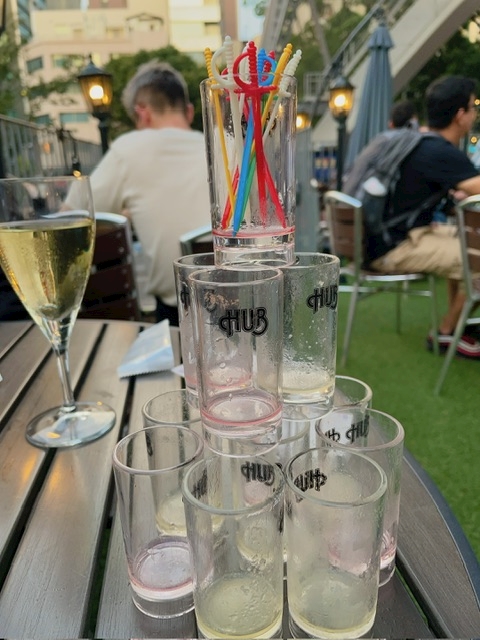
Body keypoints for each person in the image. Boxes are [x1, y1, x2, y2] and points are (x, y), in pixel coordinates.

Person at [66, 60, 211, 326]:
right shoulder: (222, 146)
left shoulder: (128, 148)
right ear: (189, 112)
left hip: (178, 316)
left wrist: (124, 213)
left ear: (142, 113)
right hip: (246, 305)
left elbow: (69, 216)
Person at [366, 75, 480, 357]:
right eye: (473, 107)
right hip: (393, 247)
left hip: (382, 238)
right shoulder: (439, 151)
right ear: (460, 115)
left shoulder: (419, 142)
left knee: (467, 244)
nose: (475, 113)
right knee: (476, 254)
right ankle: (446, 332)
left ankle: (455, 326)